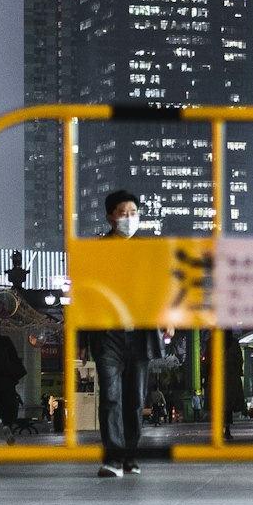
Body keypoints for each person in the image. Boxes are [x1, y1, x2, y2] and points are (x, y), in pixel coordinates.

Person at [80, 189, 163, 478]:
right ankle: (113, 458)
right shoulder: (97, 251)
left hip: (139, 335)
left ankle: (130, 455)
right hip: (108, 336)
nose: (129, 218)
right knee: (111, 397)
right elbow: (85, 296)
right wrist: (81, 339)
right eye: (122, 213)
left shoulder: (148, 250)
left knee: (136, 400)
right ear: (110, 218)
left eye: (133, 212)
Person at [0, 330, 26, 442]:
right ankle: (7, 425)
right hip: (7, 379)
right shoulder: (5, 340)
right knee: (7, 404)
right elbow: (14, 358)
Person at [222, 331, 245, 441]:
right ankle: (226, 428)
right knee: (228, 406)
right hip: (231, 378)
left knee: (222, 405)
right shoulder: (234, 343)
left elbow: (208, 360)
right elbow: (240, 360)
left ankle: (223, 428)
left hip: (219, 378)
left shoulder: (214, 341)